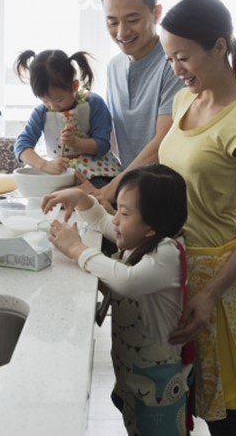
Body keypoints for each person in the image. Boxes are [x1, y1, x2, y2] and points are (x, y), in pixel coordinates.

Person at [157, 0, 236, 435]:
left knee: (221, 409)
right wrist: (102, 197)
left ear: (220, 47)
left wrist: (210, 295)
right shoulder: (184, 102)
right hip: (173, 267)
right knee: (173, 392)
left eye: (184, 57)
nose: (177, 69)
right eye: (170, 58)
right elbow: (159, 165)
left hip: (216, 279)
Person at [43, 165, 193, 436]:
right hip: (132, 374)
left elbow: (127, 280)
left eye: (124, 213)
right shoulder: (141, 238)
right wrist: (82, 199)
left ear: (151, 226)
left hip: (158, 382)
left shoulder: (167, 252)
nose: (116, 219)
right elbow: (103, 221)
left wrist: (79, 250)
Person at [88, 0, 183, 208]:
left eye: (132, 20)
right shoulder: (114, 67)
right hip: (129, 191)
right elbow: (112, 137)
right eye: (112, 22)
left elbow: (163, 143)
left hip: (165, 193)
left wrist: (113, 188)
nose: (121, 33)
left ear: (156, 13)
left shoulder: (174, 64)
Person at [13, 49, 121, 189]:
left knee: (95, 192)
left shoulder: (94, 103)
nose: (52, 106)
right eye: (45, 100)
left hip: (96, 172)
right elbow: (21, 146)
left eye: (59, 99)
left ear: (74, 86)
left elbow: (102, 145)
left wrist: (77, 143)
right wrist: (44, 165)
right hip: (60, 171)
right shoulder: (41, 113)